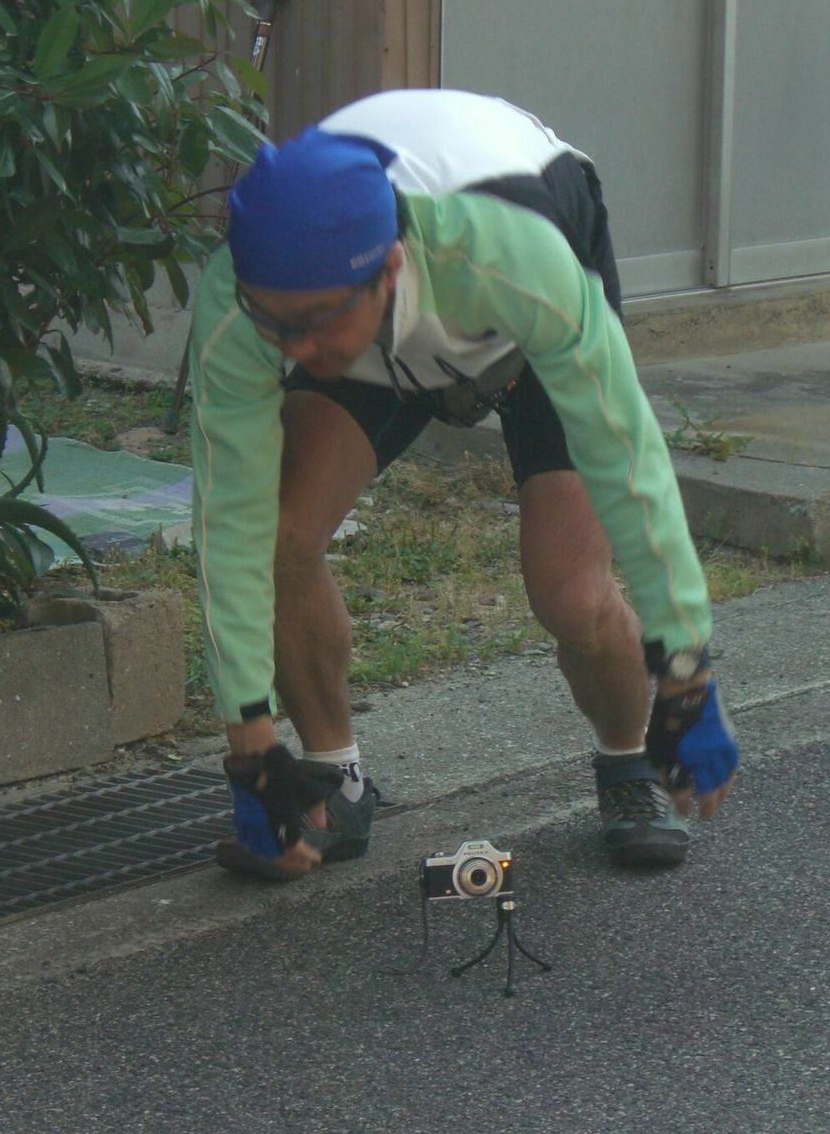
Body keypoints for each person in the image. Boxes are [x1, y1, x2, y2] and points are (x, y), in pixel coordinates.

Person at [187, 89, 739, 881]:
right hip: (372, 324)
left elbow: (629, 461)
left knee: (573, 595)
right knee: (281, 535)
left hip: (507, 312)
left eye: (310, 324)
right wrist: (250, 745)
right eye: (276, 327)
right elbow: (228, 523)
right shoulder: (250, 303)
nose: (295, 351)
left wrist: (687, 672)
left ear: (388, 269)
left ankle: (628, 763)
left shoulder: (517, 254)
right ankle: (334, 782)